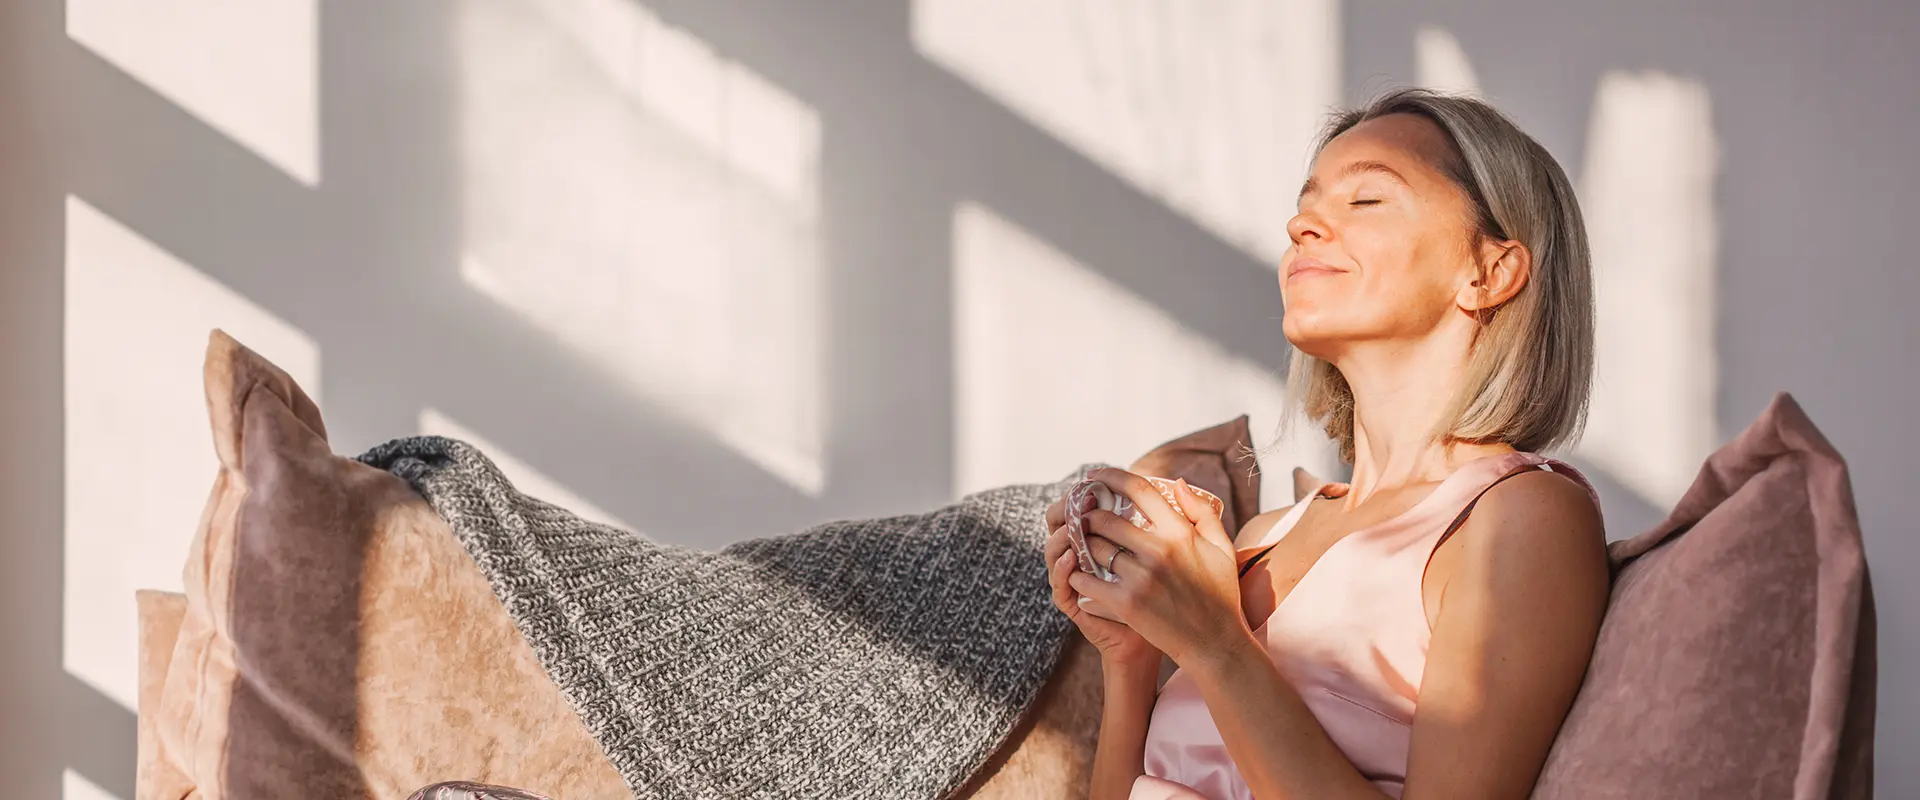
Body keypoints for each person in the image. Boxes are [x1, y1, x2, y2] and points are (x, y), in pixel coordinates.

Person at [1042, 87, 1609, 800]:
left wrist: (1215, 641)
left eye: (1367, 200)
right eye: (1307, 205)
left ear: (1489, 273)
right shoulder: (1268, 535)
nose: (1301, 224)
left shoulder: (1520, 517)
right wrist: (1130, 658)